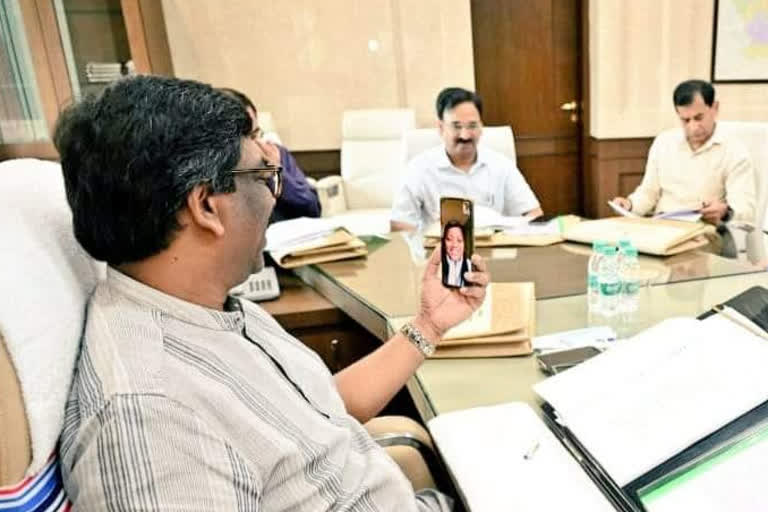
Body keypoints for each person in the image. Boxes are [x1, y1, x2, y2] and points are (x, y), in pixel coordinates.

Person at [54, 76, 489, 511]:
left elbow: (320, 412)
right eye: (263, 176)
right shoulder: (148, 421)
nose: (272, 196)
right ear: (206, 205)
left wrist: (429, 326)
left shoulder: (215, 306)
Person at [391, 87, 543, 231]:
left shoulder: (501, 165)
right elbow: (399, 223)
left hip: (494, 252)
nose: (465, 135)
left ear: (481, 127)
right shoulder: (419, 168)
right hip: (441, 252)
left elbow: (533, 214)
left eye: (472, 126)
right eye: (456, 126)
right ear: (441, 127)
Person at [612, 80, 755, 226]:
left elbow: (746, 210)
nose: (693, 127)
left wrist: (725, 212)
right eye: (685, 120)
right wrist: (630, 204)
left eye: (699, 118)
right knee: (616, 245)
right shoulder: (664, 142)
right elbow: (649, 193)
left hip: (705, 231)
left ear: (715, 108)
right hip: (663, 226)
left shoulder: (734, 151)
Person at [219, 87, 321, 221]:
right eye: (245, 138)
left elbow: (312, 209)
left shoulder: (275, 153)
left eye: (255, 134)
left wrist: (276, 174)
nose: (254, 145)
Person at [442, 222, 471, 287]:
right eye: (449, 239)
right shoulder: (439, 265)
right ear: (444, 243)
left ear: (464, 244)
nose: (454, 245)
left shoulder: (470, 266)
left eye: (459, 240)